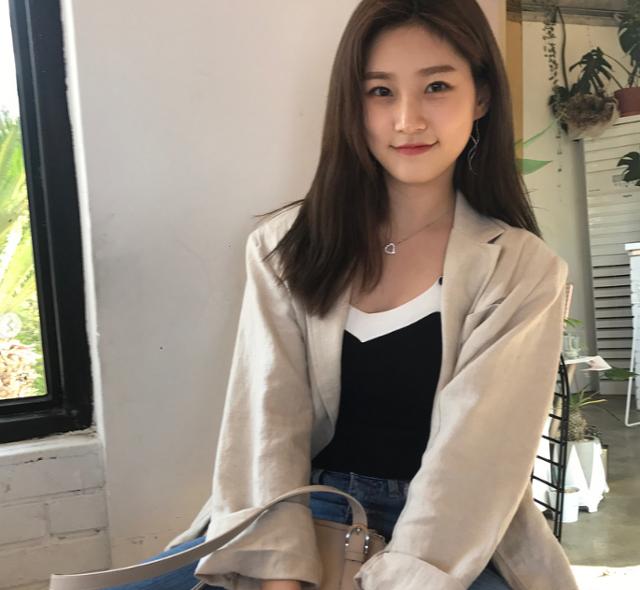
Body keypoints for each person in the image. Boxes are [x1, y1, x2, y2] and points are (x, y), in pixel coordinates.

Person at [104, 1, 579, 589]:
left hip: (452, 542)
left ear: (480, 96)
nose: (407, 119)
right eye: (380, 92)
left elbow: (473, 466)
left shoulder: (521, 269)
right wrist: (280, 573)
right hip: (298, 512)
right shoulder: (286, 248)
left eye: (436, 86)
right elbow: (267, 422)